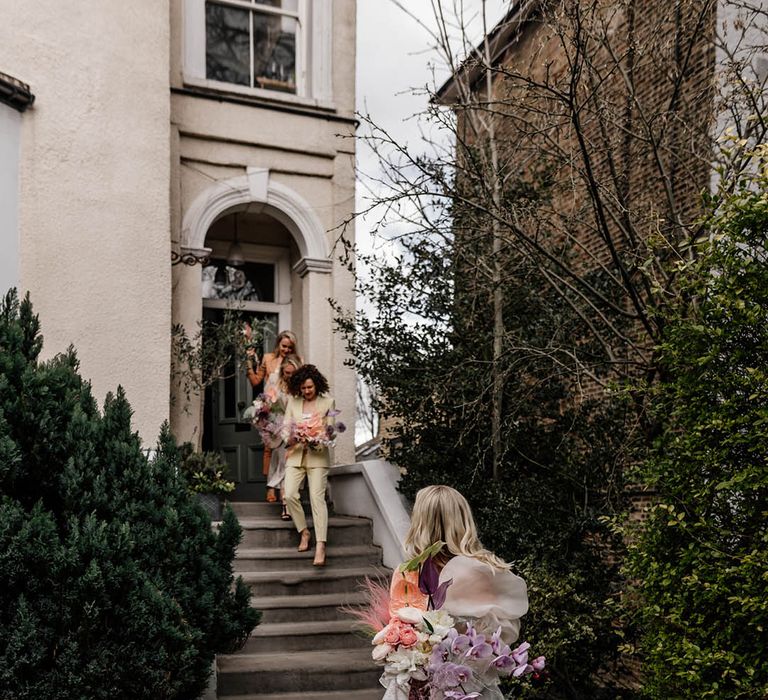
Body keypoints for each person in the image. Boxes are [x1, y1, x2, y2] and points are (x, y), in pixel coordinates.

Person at [386, 485, 529, 699]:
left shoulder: (408, 574)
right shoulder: (485, 571)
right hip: (471, 685)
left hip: (420, 685)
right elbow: (503, 635)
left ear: (420, 522)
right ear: (463, 520)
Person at [282, 364, 336, 567]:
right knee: (289, 494)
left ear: (317, 385)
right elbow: (285, 431)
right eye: (303, 388)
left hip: (318, 457)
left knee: (316, 498)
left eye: (310, 387)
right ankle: (304, 531)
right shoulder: (293, 403)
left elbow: (331, 431)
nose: (306, 391)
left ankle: (321, 545)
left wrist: (318, 437)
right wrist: (295, 436)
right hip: (295, 455)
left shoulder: (328, 402)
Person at [244, 328, 300, 503]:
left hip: (289, 409)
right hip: (271, 409)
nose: (286, 350)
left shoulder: (298, 361)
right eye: (284, 346)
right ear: (278, 344)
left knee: (287, 452)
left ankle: (281, 487)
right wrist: (248, 360)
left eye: (290, 347)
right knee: (271, 449)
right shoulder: (268, 359)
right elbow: (255, 381)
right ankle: (271, 489)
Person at [264, 353, 302, 520]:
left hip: (296, 432)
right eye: (287, 373)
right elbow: (265, 404)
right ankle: (285, 505)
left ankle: (288, 503)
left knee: (289, 468)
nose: (289, 377)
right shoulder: (274, 380)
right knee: (284, 466)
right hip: (279, 430)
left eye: (293, 373)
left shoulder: (302, 385)